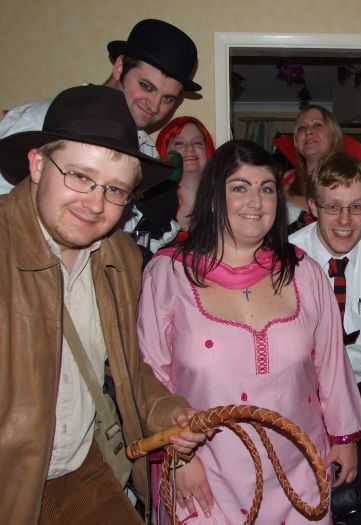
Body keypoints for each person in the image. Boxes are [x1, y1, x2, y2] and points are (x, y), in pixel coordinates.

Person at [0, 85, 207, 525]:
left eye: (115, 189)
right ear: (37, 164)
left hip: (80, 472)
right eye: (79, 176)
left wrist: (169, 412)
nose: (95, 204)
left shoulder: (121, 258)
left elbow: (127, 368)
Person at [137, 140, 361, 524]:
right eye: (240, 187)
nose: (256, 202)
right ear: (214, 198)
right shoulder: (168, 275)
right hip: (204, 474)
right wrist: (177, 460)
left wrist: (344, 439)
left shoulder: (304, 272)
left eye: (266, 188)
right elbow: (148, 376)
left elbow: (331, 364)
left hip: (299, 470)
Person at [0, 18, 201, 253]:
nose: (155, 106)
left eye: (168, 98)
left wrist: (151, 230)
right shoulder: (41, 121)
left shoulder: (146, 151)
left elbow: (129, 241)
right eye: (146, 86)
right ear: (119, 66)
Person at [290, 152, 361, 524]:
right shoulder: (287, 258)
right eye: (333, 207)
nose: (344, 220)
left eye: (356, 207)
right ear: (312, 206)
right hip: (302, 394)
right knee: (302, 502)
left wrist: (353, 425)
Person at [281, 104, 361, 237]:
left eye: (317, 125)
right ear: (296, 141)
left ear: (334, 135)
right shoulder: (279, 181)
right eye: (302, 128)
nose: (308, 131)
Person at [155, 116, 215, 235]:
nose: (189, 148)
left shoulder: (224, 201)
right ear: (164, 152)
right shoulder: (152, 204)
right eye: (179, 143)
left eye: (197, 143)